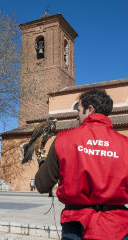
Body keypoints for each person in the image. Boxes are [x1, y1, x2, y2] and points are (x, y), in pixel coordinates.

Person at [35, 89, 128, 240]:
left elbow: (42, 185)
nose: (77, 115)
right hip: (118, 228)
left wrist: (43, 162)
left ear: (89, 109)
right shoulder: (125, 144)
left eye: (78, 110)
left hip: (76, 226)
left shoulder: (63, 140)